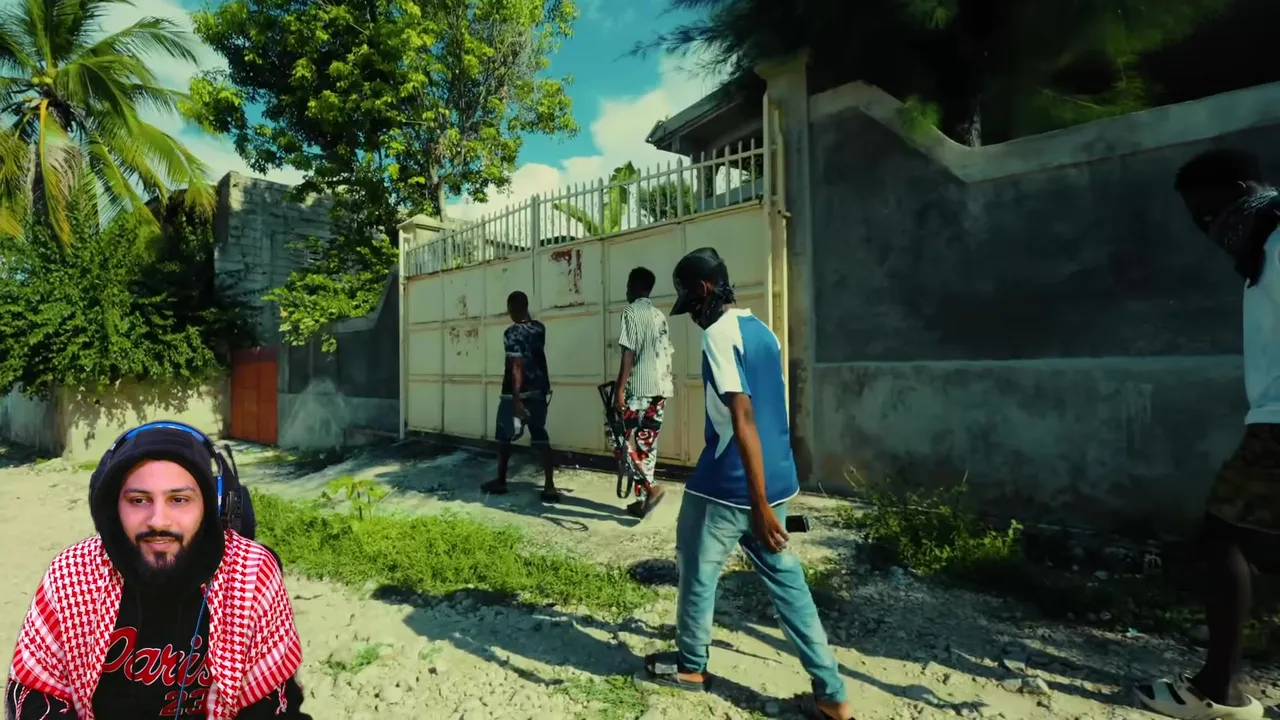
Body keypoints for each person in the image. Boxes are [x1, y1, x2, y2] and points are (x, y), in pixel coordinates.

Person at [642, 248, 853, 720]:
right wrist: (767, 496)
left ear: (705, 291)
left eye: (691, 304)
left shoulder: (718, 335)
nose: (692, 316)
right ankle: (833, 693)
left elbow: (744, 418)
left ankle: (691, 668)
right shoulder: (763, 331)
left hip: (730, 482)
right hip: (776, 478)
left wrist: (755, 503)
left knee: (697, 568)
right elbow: (774, 409)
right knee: (787, 582)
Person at [5, 421, 309, 719]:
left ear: (214, 506)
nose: (158, 521)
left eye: (179, 500)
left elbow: (273, 702)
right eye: (139, 500)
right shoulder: (73, 573)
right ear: (113, 507)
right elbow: (36, 695)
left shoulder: (251, 574)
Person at [1134, 148, 1279, 720]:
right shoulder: (1261, 243)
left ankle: (1220, 692)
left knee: (1222, 540)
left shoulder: (1277, 237)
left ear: (1243, 190)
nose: (1207, 229)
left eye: (1209, 213)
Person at [481, 290, 560, 502]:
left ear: (512, 309)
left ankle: (501, 481)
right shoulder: (539, 329)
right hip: (539, 390)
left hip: (515, 394)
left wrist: (516, 399)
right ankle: (550, 486)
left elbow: (516, 365)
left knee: (504, 438)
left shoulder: (511, 333)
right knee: (540, 436)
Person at [613, 266, 676, 518]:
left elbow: (628, 353)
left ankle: (650, 489)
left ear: (634, 287)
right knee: (647, 445)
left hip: (638, 390)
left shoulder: (630, 312)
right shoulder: (659, 315)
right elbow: (665, 353)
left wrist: (619, 390)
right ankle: (642, 501)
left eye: (628, 285)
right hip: (660, 389)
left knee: (618, 439)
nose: (626, 290)